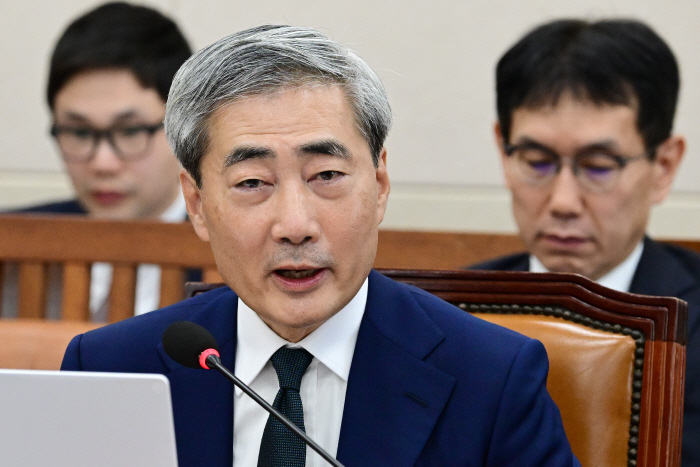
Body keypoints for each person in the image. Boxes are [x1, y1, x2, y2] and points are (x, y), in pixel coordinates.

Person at [61, 25, 579, 467]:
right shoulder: (112, 369)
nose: (295, 225)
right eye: (252, 183)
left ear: (379, 185)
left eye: (326, 175)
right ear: (197, 204)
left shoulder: (492, 379)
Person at [470, 18, 699, 466]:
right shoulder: (450, 313)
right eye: (536, 161)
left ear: (664, 166)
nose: (563, 202)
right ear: (503, 151)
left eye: (598, 166)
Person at [6, 2, 193, 319]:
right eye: (79, 132)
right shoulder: (14, 246)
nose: (103, 164)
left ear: (183, 127)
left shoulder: (230, 253)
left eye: (130, 130)